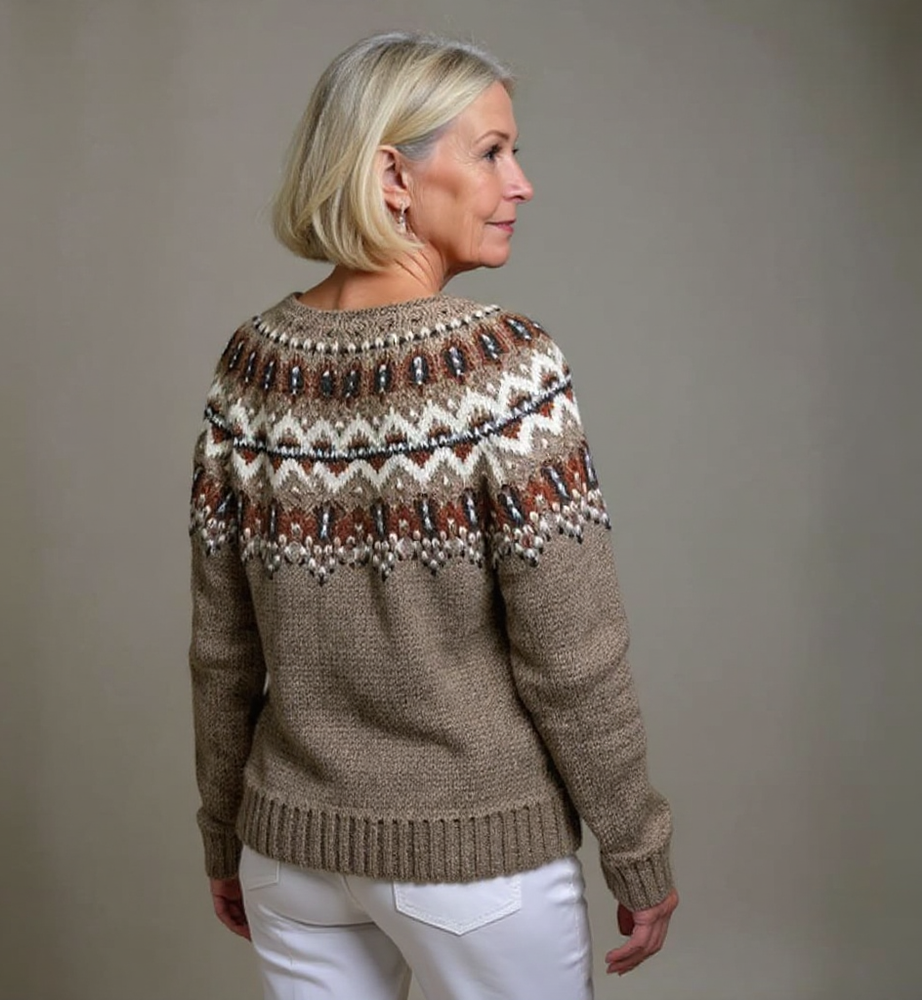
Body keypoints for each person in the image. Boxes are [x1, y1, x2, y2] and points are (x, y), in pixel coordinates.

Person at [188, 29, 677, 1000]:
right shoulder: (504, 370)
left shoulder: (250, 365)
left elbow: (222, 647)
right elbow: (572, 655)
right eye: (491, 152)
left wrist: (221, 832)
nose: (521, 183)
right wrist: (636, 847)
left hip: (289, 857)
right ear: (393, 177)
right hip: (475, 859)